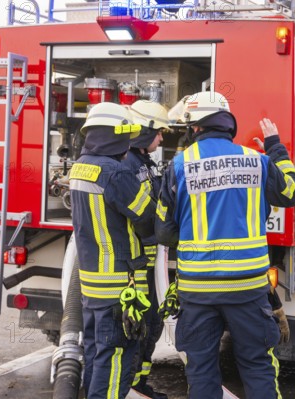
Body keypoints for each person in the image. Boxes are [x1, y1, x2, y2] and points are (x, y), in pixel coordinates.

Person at [155, 91, 295, 398]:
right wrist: (276, 149)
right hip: (248, 288)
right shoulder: (258, 162)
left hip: (197, 291)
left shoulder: (178, 166)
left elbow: (163, 231)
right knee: (256, 364)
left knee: (200, 368)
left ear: (195, 127)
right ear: (227, 124)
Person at [69, 102, 156, 399]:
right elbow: (147, 217)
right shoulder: (116, 173)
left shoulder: (80, 167)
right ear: (114, 136)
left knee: (96, 351)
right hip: (119, 284)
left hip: (93, 284)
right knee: (117, 355)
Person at [123, 100, 170, 399]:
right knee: (138, 329)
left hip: (150, 264)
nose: (162, 139)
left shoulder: (143, 163)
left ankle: (139, 384)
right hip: (136, 266)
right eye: (159, 132)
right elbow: (142, 215)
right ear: (143, 130)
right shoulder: (125, 164)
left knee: (152, 325)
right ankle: (129, 387)